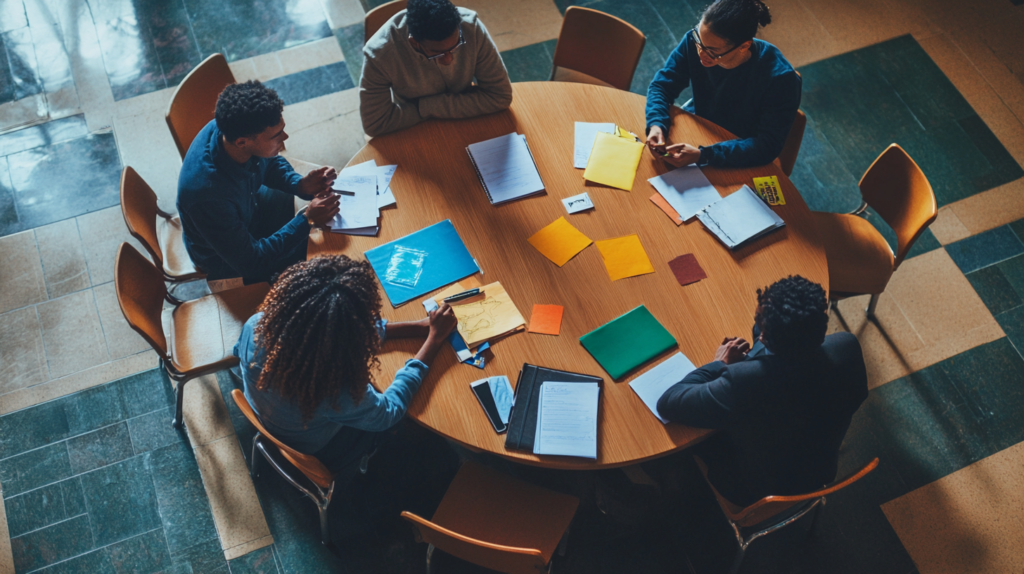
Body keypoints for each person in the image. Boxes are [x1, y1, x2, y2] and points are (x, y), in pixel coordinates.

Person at [233, 255, 458, 476]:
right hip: (317, 447)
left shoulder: (257, 325)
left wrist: (418, 328)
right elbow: (388, 412)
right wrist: (434, 340)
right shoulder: (336, 389)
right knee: (416, 430)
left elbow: (333, 326)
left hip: (269, 416)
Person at [657, 276, 867, 506]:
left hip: (756, 489)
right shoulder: (847, 347)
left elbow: (668, 401)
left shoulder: (742, 382)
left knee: (675, 444)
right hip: (820, 469)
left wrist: (720, 363)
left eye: (760, 322)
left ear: (765, 337)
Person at [177, 80, 341, 289]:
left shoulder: (230, 130)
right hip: (227, 261)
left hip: (248, 210)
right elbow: (252, 263)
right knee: (322, 261)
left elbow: (269, 162)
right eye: (276, 135)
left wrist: (299, 184)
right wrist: (306, 220)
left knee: (318, 234)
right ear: (242, 142)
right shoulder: (207, 196)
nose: (285, 137)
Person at [645, 0, 801, 169]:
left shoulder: (781, 79)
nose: (701, 55)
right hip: (700, 126)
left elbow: (767, 145)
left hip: (740, 149)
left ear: (744, 46)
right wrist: (656, 124)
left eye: (713, 52)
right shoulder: (695, 39)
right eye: (699, 43)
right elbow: (662, 85)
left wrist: (704, 155)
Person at [360, 0, 513, 137]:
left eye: (455, 47)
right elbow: (376, 123)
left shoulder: (470, 27)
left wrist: (426, 107)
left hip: (419, 115)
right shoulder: (379, 55)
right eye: (436, 53)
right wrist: (427, 109)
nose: (448, 59)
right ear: (414, 43)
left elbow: (500, 96)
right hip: (415, 128)